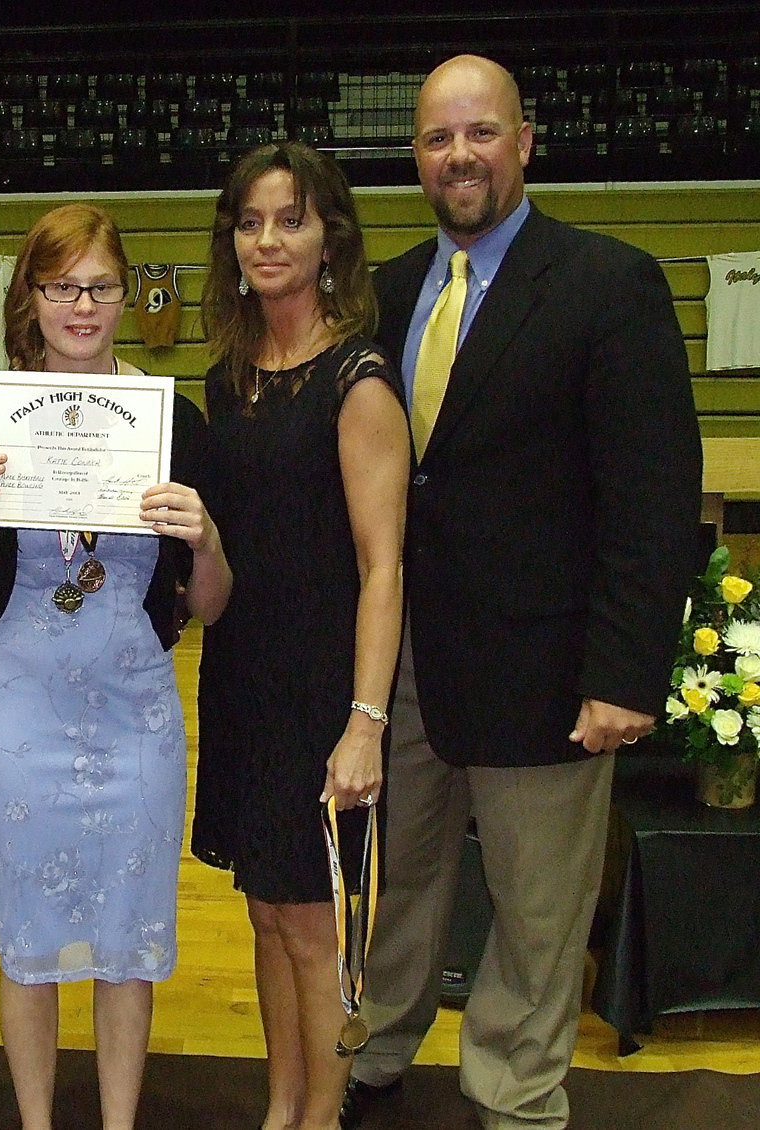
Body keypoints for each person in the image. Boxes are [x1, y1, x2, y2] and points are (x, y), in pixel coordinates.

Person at [342, 55, 703, 1130]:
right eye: (438, 138)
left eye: (480, 133)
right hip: (405, 667)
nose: (460, 155)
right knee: (399, 885)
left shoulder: (609, 283)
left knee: (539, 912)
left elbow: (651, 498)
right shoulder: (389, 291)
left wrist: (625, 674)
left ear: (526, 141)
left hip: (550, 679)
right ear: (416, 156)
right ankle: (376, 1052)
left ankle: (516, 1090)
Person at [0, 203, 233, 1130]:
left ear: (128, 294)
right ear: (28, 295)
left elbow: (208, 602)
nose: (82, 305)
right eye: (61, 286)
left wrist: (209, 538)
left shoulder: (172, 422)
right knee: (28, 944)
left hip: (132, 713)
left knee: (126, 944)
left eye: (101, 286)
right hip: (17, 711)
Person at [192, 141, 410, 1130]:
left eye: (293, 219)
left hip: (326, 689)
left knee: (316, 923)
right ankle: (281, 1102)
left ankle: (322, 1114)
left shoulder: (359, 380)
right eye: (252, 221)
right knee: (266, 908)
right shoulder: (227, 378)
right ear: (231, 244)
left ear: (330, 240)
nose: (270, 238)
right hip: (242, 681)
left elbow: (382, 566)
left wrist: (365, 720)